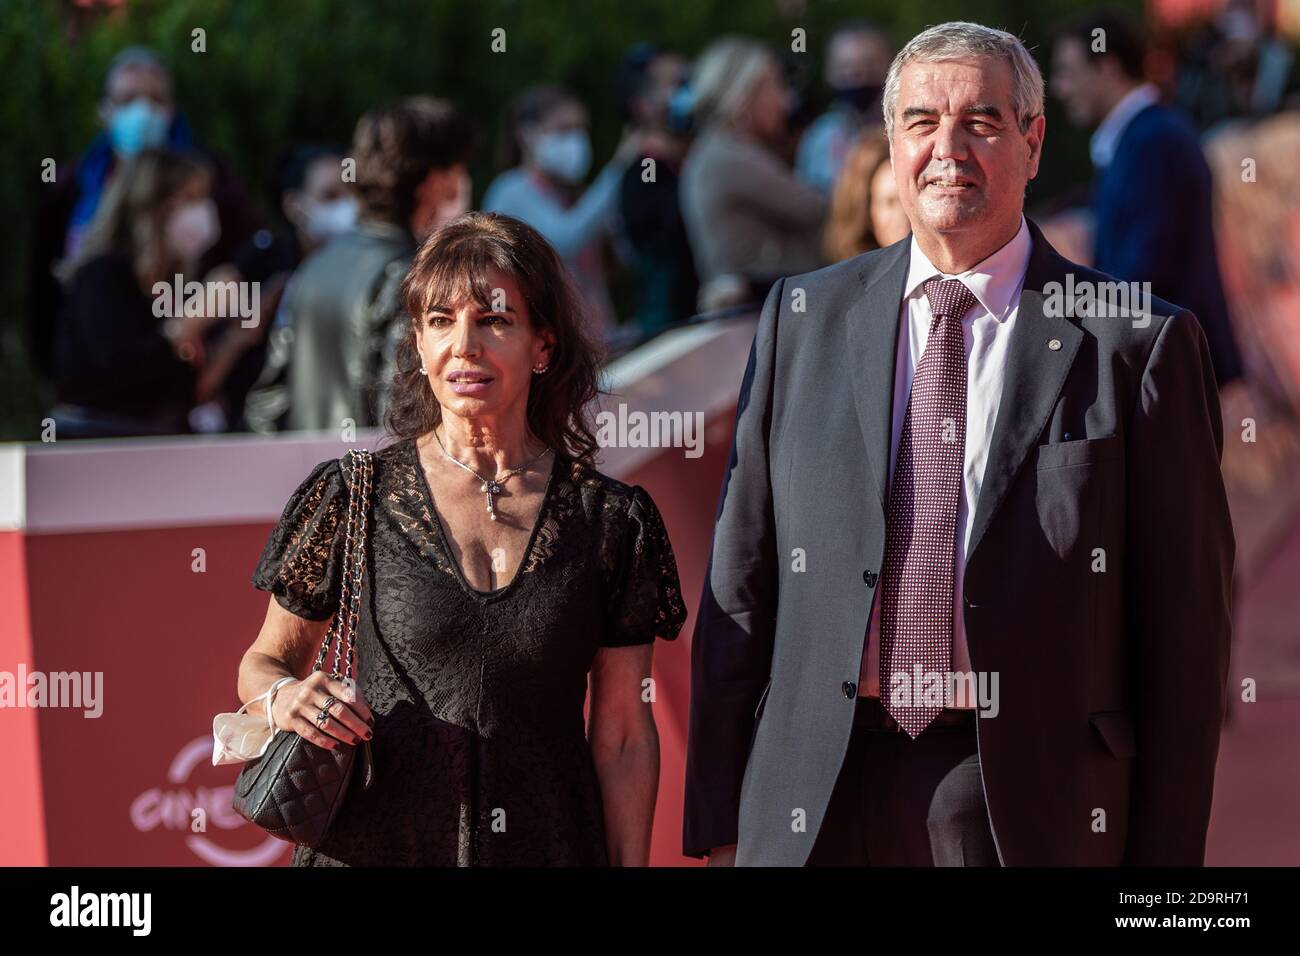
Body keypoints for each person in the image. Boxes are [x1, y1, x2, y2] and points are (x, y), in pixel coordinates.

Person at [683, 21, 1233, 867]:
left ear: (1033, 141)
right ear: (891, 142)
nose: (948, 150)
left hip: (1019, 795)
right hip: (813, 795)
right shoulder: (803, 318)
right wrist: (720, 823)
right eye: (919, 123)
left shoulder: (1136, 344)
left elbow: (1184, 641)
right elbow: (741, 582)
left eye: (980, 121)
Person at [238, 211, 687, 865]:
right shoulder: (351, 494)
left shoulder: (613, 523)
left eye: (495, 320)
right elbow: (261, 664)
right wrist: (285, 698)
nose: (465, 346)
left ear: (543, 346)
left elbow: (621, 733)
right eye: (441, 321)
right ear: (419, 344)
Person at [243, 97, 474, 434]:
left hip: (314, 480)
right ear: (433, 181)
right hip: (372, 483)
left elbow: (267, 407)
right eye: (457, 169)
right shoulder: (410, 277)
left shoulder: (314, 267)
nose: (460, 184)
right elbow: (401, 419)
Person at [28, 46, 259, 383]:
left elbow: (248, 255)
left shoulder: (214, 177)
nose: (143, 111)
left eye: (155, 99)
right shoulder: (72, 193)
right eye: (128, 99)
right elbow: (45, 301)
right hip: (106, 392)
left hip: (187, 385)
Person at [1050, 9, 1244, 388]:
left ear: (1106, 67)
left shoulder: (1155, 141)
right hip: (1161, 366)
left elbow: (1147, 273)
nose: (1060, 88)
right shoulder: (1140, 138)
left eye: (1068, 71)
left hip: (1168, 372)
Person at [47, 148, 220, 438]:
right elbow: (121, 369)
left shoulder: (170, 282)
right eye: (190, 198)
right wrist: (193, 320)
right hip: (95, 445)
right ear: (151, 206)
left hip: (157, 443)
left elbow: (184, 387)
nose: (203, 211)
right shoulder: (103, 274)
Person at [679, 37, 828, 312]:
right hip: (754, 317)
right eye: (775, 85)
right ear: (744, 95)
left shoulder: (718, 151)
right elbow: (818, 208)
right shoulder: (729, 157)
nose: (785, 101)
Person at [483, 85, 639, 343]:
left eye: (581, 130)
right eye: (564, 130)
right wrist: (619, 169)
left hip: (600, 344)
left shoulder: (576, 196)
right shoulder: (511, 191)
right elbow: (565, 239)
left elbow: (621, 259)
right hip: (549, 350)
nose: (576, 141)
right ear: (527, 135)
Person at [616, 44, 700, 337]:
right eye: (679, 84)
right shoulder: (645, 172)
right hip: (671, 335)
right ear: (643, 104)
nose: (691, 92)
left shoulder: (682, 161)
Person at [796, 20, 894, 194]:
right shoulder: (820, 137)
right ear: (829, 74)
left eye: (869, 65)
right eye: (846, 68)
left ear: (890, 66)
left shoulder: (905, 129)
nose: (858, 76)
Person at [822, 129, 910, 262]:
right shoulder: (841, 280)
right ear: (865, 211)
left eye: (909, 199)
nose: (904, 215)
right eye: (890, 202)